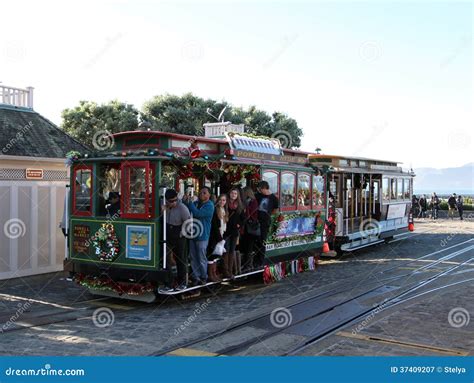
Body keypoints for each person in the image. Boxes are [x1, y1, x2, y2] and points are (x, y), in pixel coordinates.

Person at [160, 189, 191, 292]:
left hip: (179, 234)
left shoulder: (182, 208)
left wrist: (182, 234)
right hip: (167, 233)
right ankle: (169, 283)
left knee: (180, 259)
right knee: (167, 259)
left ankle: (182, 283)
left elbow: (189, 223)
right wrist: (162, 211)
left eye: (175, 200)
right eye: (171, 201)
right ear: (167, 201)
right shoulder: (164, 205)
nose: (174, 203)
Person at [182, 186, 214, 285]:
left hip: (202, 235)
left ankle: (204, 276)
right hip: (193, 233)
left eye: (204, 193)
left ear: (209, 195)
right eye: (200, 192)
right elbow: (187, 209)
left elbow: (197, 213)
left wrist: (190, 203)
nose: (201, 194)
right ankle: (196, 276)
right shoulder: (196, 203)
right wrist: (185, 201)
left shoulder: (210, 205)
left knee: (201, 257)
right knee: (193, 256)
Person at [254, 180, 279, 268]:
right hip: (256, 221)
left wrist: (269, 215)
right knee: (255, 240)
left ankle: (260, 261)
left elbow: (275, 209)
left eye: (260, 189)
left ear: (264, 188)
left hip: (265, 222)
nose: (259, 191)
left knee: (262, 241)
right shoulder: (258, 195)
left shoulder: (273, 198)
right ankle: (255, 260)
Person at [207, 194, 228, 281]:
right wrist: (219, 238)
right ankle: (210, 275)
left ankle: (214, 274)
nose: (222, 202)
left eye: (224, 200)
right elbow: (215, 226)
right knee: (211, 255)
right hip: (214, 236)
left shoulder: (224, 210)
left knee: (216, 255)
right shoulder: (215, 210)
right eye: (220, 200)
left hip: (221, 234)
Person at [225, 187, 245, 276]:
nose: (233, 195)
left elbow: (243, 218)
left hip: (234, 231)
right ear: (229, 194)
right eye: (232, 193)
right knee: (226, 250)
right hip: (226, 230)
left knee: (232, 250)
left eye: (235, 194)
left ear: (237, 195)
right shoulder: (225, 203)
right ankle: (226, 270)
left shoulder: (239, 205)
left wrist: (239, 225)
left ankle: (230, 270)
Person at [241, 186, 259, 272]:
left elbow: (250, 215)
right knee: (246, 247)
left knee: (249, 247)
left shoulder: (253, 202)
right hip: (246, 227)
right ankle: (246, 264)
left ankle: (248, 265)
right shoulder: (248, 201)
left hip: (250, 226)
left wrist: (246, 208)